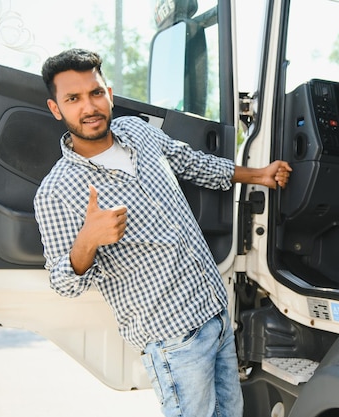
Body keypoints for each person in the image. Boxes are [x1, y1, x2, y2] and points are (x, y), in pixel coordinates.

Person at [34, 48, 291, 417]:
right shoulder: (57, 190)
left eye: (95, 93)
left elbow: (191, 163)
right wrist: (86, 241)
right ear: (56, 108)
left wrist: (259, 175)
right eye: (72, 99)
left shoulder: (137, 131)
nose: (88, 106)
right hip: (174, 340)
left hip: (215, 311)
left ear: (108, 93)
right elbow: (63, 283)